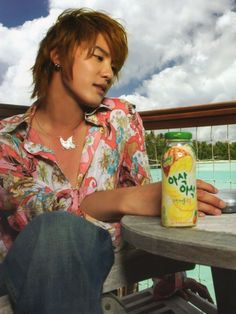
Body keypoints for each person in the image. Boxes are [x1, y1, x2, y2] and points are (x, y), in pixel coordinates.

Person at [0, 8, 226, 313]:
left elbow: (146, 206)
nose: (108, 73)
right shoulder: (7, 137)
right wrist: (123, 199)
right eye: (97, 57)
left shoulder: (120, 119)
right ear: (57, 54)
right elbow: (32, 211)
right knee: (57, 231)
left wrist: (171, 278)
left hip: (100, 266)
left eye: (113, 64)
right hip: (22, 271)